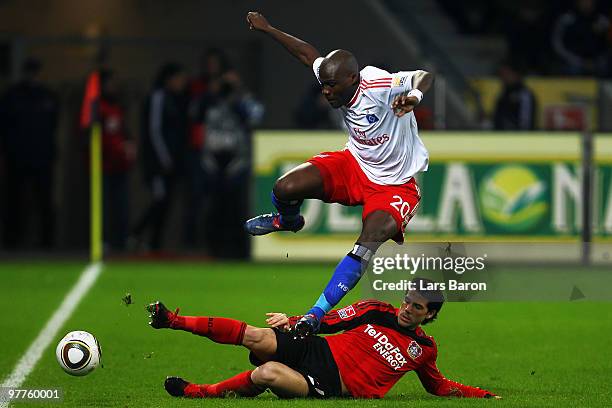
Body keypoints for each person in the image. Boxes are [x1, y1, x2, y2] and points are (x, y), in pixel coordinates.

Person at [244, 11, 433, 337]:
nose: (325, 92)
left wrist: (413, 97)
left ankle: (316, 314)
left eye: (332, 86)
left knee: (369, 241)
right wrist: (269, 28)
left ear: (352, 80)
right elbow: (307, 54)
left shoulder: (377, 83)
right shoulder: (333, 79)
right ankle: (288, 221)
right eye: (323, 85)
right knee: (285, 188)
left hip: (395, 185)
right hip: (354, 164)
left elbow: (423, 76)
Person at [146, 278, 499, 400]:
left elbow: (437, 387)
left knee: (267, 373)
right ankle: (173, 320)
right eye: (407, 299)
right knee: (255, 336)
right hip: (318, 346)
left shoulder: (423, 350)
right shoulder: (377, 309)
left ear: (431, 315)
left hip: (332, 382)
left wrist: (483, 394)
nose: (407, 308)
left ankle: (200, 392)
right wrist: (295, 321)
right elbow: (329, 320)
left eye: (417, 306)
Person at [0, 58, 59, 249]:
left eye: (36, 72)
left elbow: (53, 125)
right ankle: (12, 240)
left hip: (42, 157)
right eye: (30, 71)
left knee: (44, 200)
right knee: (14, 200)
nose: (33, 76)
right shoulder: (12, 95)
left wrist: (51, 151)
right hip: (17, 156)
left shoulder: (48, 96)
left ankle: (47, 242)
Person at [131, 63, 188, 251]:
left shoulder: (177, 99)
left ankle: (154, 243)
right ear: (169, 79)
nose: (182, 83)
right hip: (157, 163)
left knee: (166, 202)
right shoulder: (157, 97)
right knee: (160, 199)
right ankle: (135, 234)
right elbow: (154, 130)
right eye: (179, 78)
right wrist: (164, 158)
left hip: (171, 162)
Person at [98, 69, 135, 251]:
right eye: (110, 83)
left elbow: (123, 132)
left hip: (120, 165)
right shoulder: (97, 108)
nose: (114, 87)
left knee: (122, 205)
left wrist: (128, 146)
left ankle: (122, 240)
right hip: (102, 166)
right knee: (102, 206)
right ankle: (102, 240)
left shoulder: (118, 108)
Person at [551, 0, 610, 76]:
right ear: (578, 2)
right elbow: (557, 44)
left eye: (589, 1)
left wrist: (598, 60)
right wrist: (578, 61)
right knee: (572, 69)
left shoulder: (602, 21)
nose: (587, 4)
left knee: (604, 67)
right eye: (584, 1)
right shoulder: (567, 19)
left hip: (597, 61)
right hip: (573, 60)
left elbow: (608, 46)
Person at [493, 61, 537, 130]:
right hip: (502, 135)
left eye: (507, 74)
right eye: (501, 75)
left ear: (515, 74)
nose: (503, 78)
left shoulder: (524, 94)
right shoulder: (503, 93)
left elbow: (526, 122)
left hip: (519, 136)